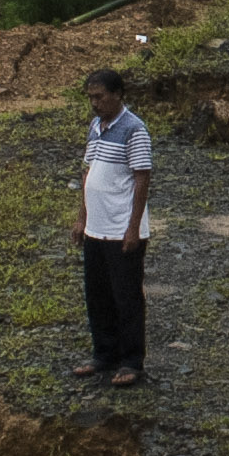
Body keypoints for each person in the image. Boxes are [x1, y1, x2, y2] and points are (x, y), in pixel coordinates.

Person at [75, 68, 154, 386]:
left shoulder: (134, 130)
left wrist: (133, 228)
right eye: (91, 98)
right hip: (96, 228)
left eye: (99, 97)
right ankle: (104, 354)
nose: (94, 103)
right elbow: (88, 172)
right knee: (98, 295)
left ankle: (131, 361)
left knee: (126, 297)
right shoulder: (96, 126)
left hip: (121, 230)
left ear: (118, 94)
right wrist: (82, 218)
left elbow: (142, 179)